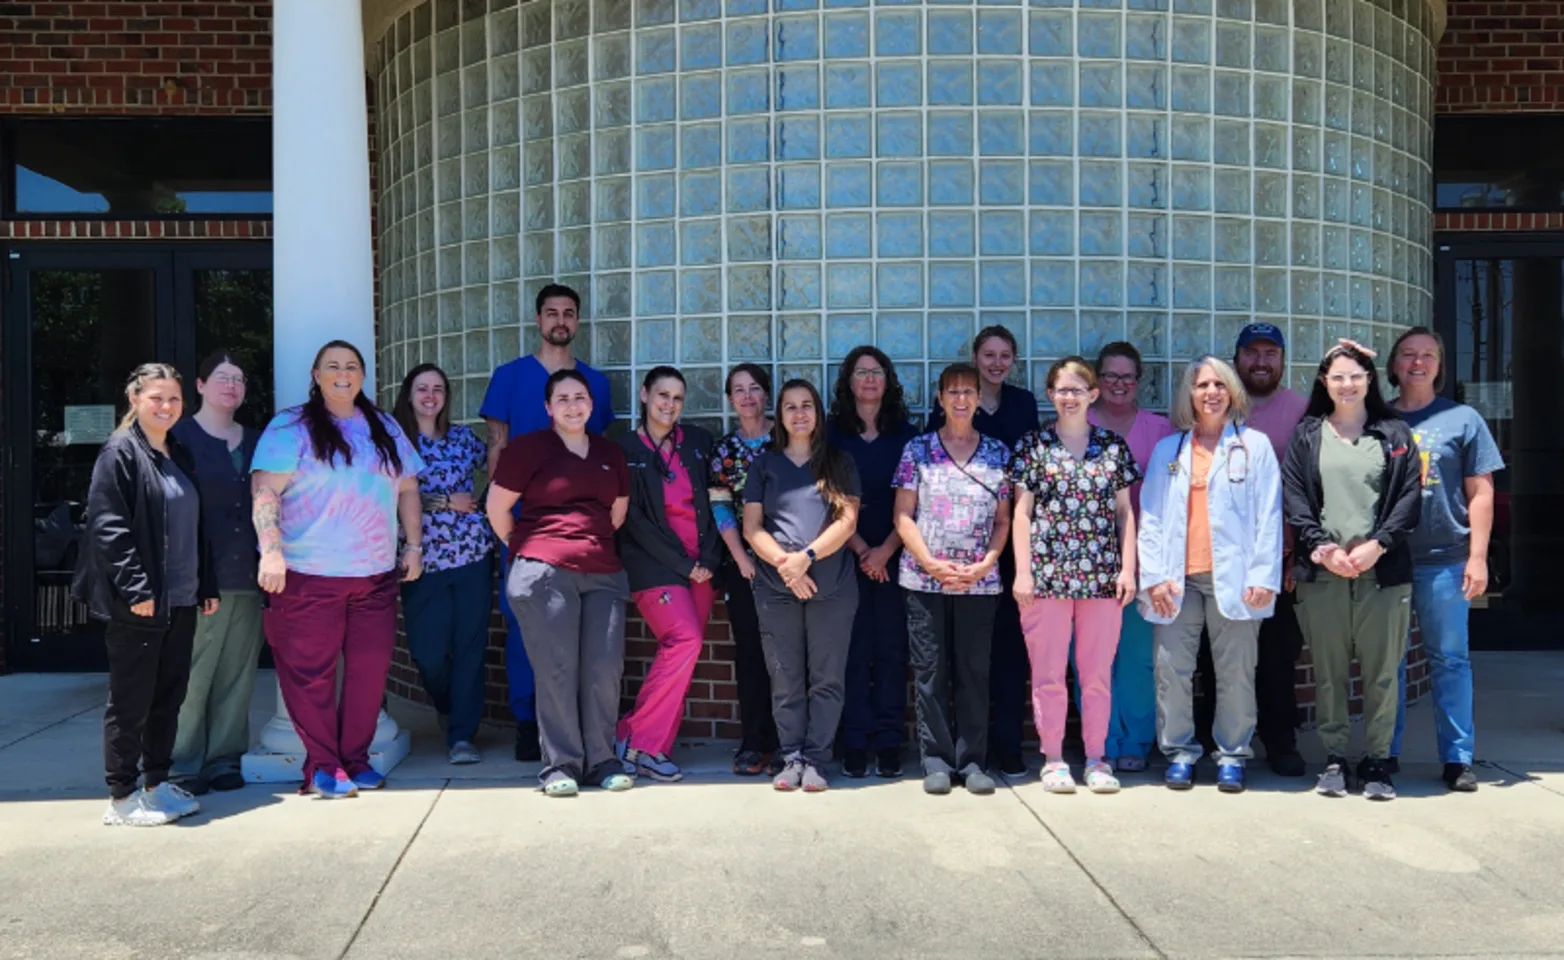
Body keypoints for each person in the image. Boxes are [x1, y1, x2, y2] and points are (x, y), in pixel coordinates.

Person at [252, 340, 425, 799]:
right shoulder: (291, 426)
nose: (342, 374)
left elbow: (408, 489)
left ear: (363, 376)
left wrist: (413, 545)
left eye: (352, 366)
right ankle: (324, 767)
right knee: (312, 676)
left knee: (369, 672)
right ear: (316, 374)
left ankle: (356, 759)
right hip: (309, 573)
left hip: (374, 575)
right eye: (332, 366)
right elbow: (265, 490)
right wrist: (270, 552)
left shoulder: (384, 426)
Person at [74, 364, 220, 826]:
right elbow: (108, 526)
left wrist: (207, 585)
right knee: (132, 699)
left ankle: (156, 786)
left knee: (169, 696)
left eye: (174, 399)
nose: (166, 406)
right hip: (139, 599)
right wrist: (137, 588)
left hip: (180, 596)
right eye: (156, 398)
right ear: (134, 398)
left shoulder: (178, 451)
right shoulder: (120, 452)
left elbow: (196, 526)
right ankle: (121, 797)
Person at [479, 283, 615, 762]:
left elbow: (602, 456)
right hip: (522, 526)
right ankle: (526, 718)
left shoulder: (595, 383)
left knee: (583, 631)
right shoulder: (510, 376)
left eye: (569, 313)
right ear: (538, 320)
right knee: (526, 622)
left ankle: (578, 725)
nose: (561, 320)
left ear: (577, 322)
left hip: (584, 534)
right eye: (552, 313)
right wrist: (506, 524)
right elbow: (497, 446)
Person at [1281, 343, 1421, 801]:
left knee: (1382, 673)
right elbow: (1296, 498)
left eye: (1355, 375)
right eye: (1337, 376)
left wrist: (1378, 545)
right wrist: (1322, 549)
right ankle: (1337, 758)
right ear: (1324, 382)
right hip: (1324, 573)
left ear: (1370, 379)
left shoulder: (1394, 432)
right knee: (1329, 672)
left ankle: (1378, 761)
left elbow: (1408, 501)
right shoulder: (1307, 434)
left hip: (1382, 572)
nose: (1347, 384)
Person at [1138, 357, 1283, 794]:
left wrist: (1263, 575)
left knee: (1236, 671)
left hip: (1236, 579)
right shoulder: (1170, 450)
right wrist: (1155, 577)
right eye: (1202, 385)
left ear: (1233, 392)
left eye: (1220, 384)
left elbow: (1269, 515)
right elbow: (1153, 516)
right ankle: (1179, 752)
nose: (1211, 392)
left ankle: (1233, 754)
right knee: (1171, 670)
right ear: (1190, 394)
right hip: (1177, 578)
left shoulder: (1254, 446)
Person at [487, 369, 634, 797]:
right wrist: (527, 546)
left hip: (603, 572)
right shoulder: (527, 449)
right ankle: (561, 765)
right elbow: (498, 508)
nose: (573, 405)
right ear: (548, 408)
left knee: (603, 669)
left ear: (591, 405)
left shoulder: (610, 453)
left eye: (580, 397)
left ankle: (602, 760)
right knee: (557, 671)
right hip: (544, 572)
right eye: (563, 399)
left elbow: (617, 513)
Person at [1008, 357, 1139, 795]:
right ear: (1051, 395)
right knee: (1047, 674)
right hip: (1046, 579)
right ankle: (1054, 758)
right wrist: (1022, 572)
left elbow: (1125, 513)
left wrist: (1128, 569)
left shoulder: (1112, 446)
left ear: (1093, 394)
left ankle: (1098, 759)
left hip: (1102, 579)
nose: (1069, 397)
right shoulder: (1033, 446)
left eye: (1077, 390)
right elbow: (1021, 514)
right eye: (1061, 390)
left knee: (1097, 675)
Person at [1386, 327, 1503, 792]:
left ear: (1440, 364)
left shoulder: (1463, 418)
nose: (1418, 363)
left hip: (1445, 560)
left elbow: (1482, 492)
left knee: (1450, 660)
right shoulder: (1380, 419)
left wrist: (1478, 557)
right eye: (1409, 355)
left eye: (1428, 355)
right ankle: (1383, 752)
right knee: (1386, 662)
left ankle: (1457, 758)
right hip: (1390, 561)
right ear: (1394, 365)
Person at [893, 363, 1012, 795]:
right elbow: (903, 515)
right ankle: (937, 761)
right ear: (940, 399)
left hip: (979, 583)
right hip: (924, 581)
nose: (961, 399)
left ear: (979, 398)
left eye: (969, 392)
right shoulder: (917, 450)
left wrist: (987, 563)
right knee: (930, 672)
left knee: (973, 672)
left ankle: (973, 761)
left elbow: (1004, 520)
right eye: (953, 392)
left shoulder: (999, 452)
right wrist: (929, 562)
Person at [1201, 322, 1313, 777]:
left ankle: (1280, 740)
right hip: (1219, 559)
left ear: (1283, 360)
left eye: (1271, 353)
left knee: (1277, 652)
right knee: (1218, 657)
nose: (1261, 362)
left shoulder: (1302, 411)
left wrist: (1295, 553)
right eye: (1252, 353)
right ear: (1237, 359)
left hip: (1279, 556)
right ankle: (1221, 743)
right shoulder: (1216, 410)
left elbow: (1309, 486)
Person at [927, 325, 1039, 777]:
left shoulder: (1023, 404)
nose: (996, 363)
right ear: (974, 357)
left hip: (1009, 544)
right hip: (955, 550)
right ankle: (957, 751)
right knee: (958, 655)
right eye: (988, 355)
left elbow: (1030, 468)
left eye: (1004, 356)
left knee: (1009, 651)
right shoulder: (955, 405)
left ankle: (1006, 744)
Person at [743, 379, 862, 793]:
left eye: (806, 405)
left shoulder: (839, 462)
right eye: (790, 406)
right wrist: (785, 566)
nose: (799, 413)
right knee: (785, 677)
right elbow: (752, 527)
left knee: (827, 678)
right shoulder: (763, 465)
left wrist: (804, 558)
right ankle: (790, 756)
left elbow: (847, 523)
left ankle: (816, 760)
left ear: (817, 413)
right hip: (777, 589)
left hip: (832, 588)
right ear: (780, 415)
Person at [614, 367, 723, 783]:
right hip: (655, 566)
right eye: (662, 395)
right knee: (685, 640)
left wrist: (710, 559)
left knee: (686, 656)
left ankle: (641, 741)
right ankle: (641, 743)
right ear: (644, 395)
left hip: (702, 567)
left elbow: (718, 501)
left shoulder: (697, 442)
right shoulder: (624, 448)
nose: (670, 405)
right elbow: (634, 520)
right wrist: (684, 565)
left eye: (678, 398)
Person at [168, 351, 263, 796]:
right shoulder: (178, 438)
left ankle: (224, 758)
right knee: (193, 673)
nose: (232, 385)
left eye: (239, 379)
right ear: (201, 386)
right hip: (200, 578)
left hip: (252, 574)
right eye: (222, 378)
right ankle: (182, 762)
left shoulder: (258, 440)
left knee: (237, 673)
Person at [391, 364, 493, 766]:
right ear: (409, 394)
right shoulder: (396, 441)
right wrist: (446, 501)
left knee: (470, 645)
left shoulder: (464, 438)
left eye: (438, 389)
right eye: (422, 389)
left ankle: (462, 736)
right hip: (421, 560)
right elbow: (392, 494)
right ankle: (446, 703)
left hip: (471, 555)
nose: (430, 396)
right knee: (428, 651)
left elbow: (499, 468)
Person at [828, 346, 920, 779]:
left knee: (890, 651)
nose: (869, 379)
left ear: (888, 380)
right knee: (850, 651)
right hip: (845, 558)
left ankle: (887, 741)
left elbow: (918, 505)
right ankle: (854, 742)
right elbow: (825, 501)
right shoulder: (831, 436)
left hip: (896, 557)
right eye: (860, 372)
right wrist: (862, 548)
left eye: (877, 372)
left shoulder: (907, 435)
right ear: (848, 381)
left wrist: (884, 550)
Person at [1086, 342, 1175, 773]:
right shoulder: (1075, 424)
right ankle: (1100, 740)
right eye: (1109, 376)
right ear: (1096, 381)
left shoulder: (1160, 432)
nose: (1118, 385)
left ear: (1139, 382)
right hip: (1082, 567)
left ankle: (1135, 742)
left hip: (1142, 565)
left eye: (1127, 377)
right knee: (1092, 659)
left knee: (1137, 659)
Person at [709, 364, 783, 776]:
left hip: (792, 562)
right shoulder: (725, 450)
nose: (748, 396)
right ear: (730, 398)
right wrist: (740, 556)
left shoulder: (787, 438)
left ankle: (790, 741)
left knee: (790, 654)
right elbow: (721, 505)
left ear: (766, 394)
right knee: (752, 653)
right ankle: (755, 742)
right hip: (746, 566)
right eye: (739, 390)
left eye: (755, 388)